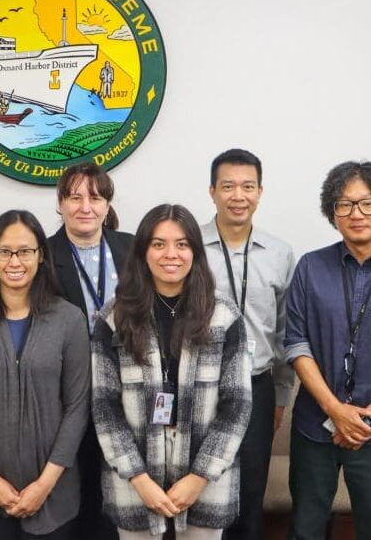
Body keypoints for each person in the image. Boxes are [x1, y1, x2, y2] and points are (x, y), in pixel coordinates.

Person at [92, 204, 252, 539]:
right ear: (143, 252)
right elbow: (104, 408)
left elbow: (236, 406)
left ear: (195, 251)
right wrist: (138, 478)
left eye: (182, 244)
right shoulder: (113, 317)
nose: (171, 254)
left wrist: (198, 477)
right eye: (158, 244)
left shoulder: (224, 316)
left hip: (206, 482)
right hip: (134, 483)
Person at [0, 210, 90, 540]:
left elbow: (77, 407)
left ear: (40, 256)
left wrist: (44, 485)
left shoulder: (70, 319)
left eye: (25, 251)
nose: (15, 261)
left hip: (55, 494)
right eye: (5, 251)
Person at [201, 148, 296, 540]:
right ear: (212, 192)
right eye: (228, 186)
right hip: (202, 384)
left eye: (247, 186)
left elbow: (287, 331)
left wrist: (281, 395)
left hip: (257, 385)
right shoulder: (187, 248)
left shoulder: (279, 253)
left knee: (251, 488)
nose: (238, 196)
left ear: (260, 191)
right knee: (203, 482)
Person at [285, 161, 371, 539]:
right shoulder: (310, 266)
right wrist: (335, 409)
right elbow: (296, 342)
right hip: (314, 425)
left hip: (370, 430)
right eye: (345, 205)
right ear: (332, 212)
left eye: (366, 203)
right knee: (306, 528)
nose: (356, 214)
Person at [48, 162, 133, 540]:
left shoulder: (131, 247)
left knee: (123, 481)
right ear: (60, 203)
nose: (86, 206)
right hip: (69, 389)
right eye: (75, 197)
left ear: (107, 204)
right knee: (79, 483)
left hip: (128, 385)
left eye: (95, 197)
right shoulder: (42, 255)